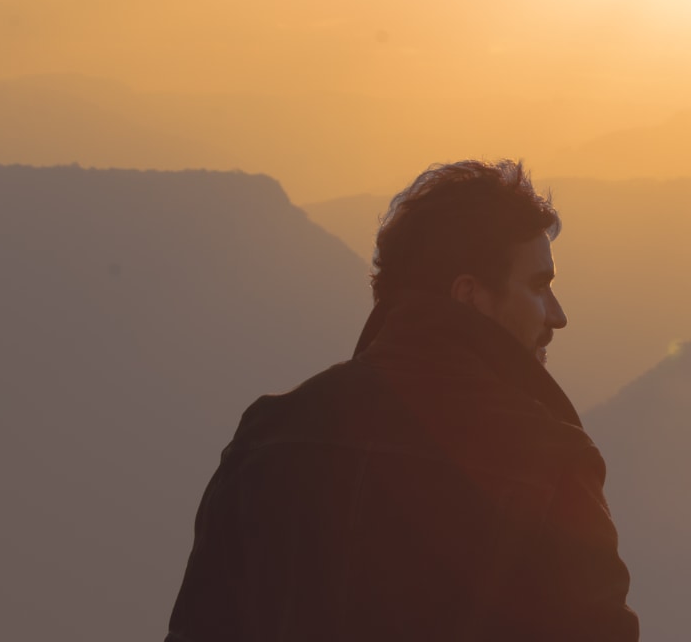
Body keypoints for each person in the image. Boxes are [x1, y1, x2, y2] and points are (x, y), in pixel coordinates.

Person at [167, 160, 639, 641]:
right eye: (539, 286)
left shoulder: (270, 434)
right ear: (470, 296)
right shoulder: (550, 464)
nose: (557, 317)